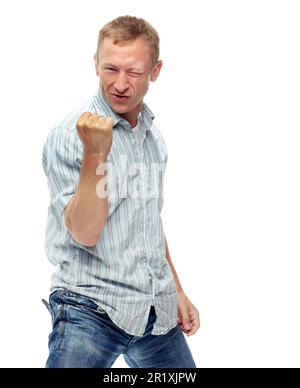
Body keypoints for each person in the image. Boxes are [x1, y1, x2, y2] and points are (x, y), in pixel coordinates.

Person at [42, 15, 200, 368]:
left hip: (153, 309)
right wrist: (96, 153)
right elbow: (84, 232)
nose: (120, 84)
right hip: (90, 308)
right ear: (95, 64)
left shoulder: (151, 135)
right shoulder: (69, 135)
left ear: (155, 71)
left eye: (134, 72)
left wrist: (176, 291)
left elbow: (148, 223)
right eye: (111, 69)